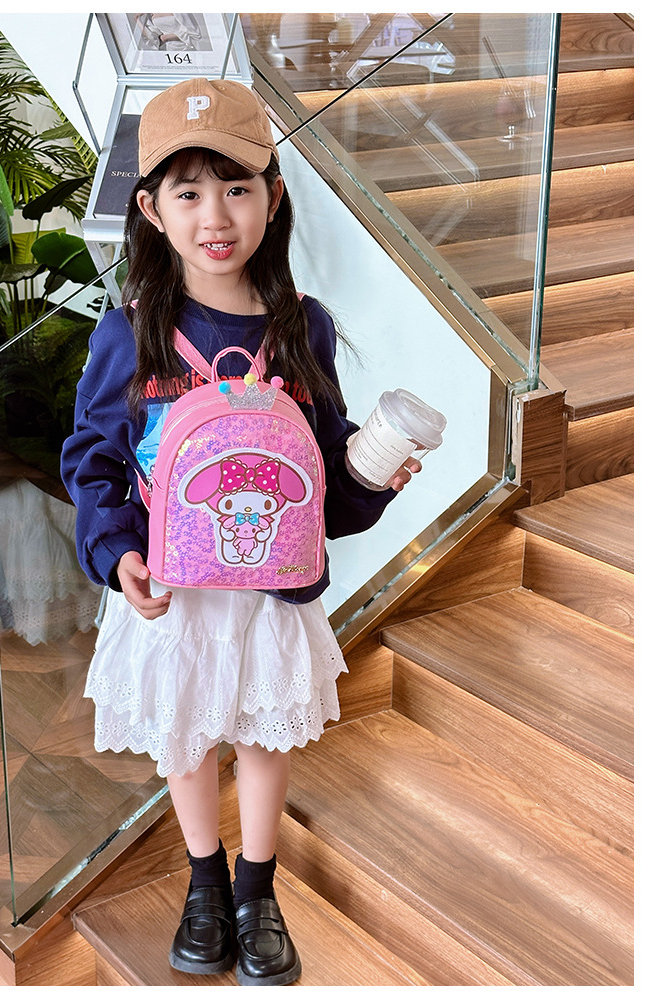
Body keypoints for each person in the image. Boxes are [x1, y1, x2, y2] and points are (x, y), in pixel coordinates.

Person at [61, 77, 420, 986]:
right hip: (171, 593)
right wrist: (116, 552)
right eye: (187, 192)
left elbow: (323, 483)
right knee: (186, 736)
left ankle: (257, 892)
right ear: (152, 210)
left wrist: (373, 478)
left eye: (236, 187)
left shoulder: (304, 329)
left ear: (273, 195)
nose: (215, 216)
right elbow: (93, 461)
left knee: (261, 737)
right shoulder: (130, 334)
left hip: (269, 595)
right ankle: (205, 884)